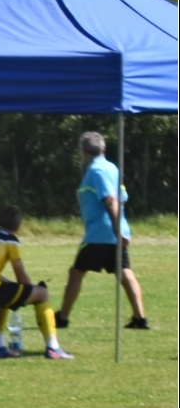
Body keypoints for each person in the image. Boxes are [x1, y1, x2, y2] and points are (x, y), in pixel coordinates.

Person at [58, 130, 150, 332]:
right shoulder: (112, 168)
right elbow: (123, 197)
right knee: (125, 272)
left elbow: (110, 200)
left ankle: (62, 317)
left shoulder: (96, 171)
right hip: (114, 231)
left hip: (99, 233)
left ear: (84, 152)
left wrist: (116, 230)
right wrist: (121, 229)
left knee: (76, 273)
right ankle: (140, 317)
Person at [0, 206, 70, 360]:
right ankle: (53, 347)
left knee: (6, 293)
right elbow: (21, 277)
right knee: (42, 294)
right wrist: (33, 289)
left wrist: (19, 288)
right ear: (18, 226)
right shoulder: (9, 239)